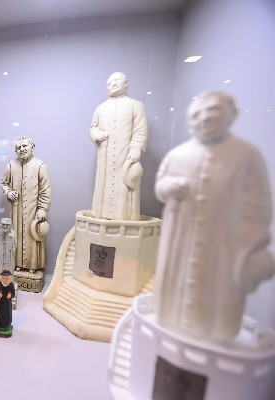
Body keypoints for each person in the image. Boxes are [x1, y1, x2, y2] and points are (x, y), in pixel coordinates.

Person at [154, 91, 274, 343]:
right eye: (197, 113)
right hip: (180, 241)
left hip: (223, 244)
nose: (204, 118)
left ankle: (217, 334)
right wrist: (167, 187)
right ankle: (171, 321)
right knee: (174, 295)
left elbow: (259, 207)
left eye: (212, 110)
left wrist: (250, 245)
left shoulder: (247, 155)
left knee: (218, 296)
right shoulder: (178, 155)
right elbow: (160, 185)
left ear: (231, 115)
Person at [89, 72, 148, 221]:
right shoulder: (101, 108)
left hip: (125, 154)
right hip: (106, 156)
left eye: (116, 80)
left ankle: (124, 217)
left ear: (126, 83)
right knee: (105, 184)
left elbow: (140, 129)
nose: (112, 84)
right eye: (109, 83)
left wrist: (136, 148)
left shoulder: (136, 105)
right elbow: (93, 128)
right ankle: (102, 214)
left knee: (124, 185)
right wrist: (97, 135)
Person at [1, 136, 51, 272]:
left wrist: (42, 208)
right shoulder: (11, 165)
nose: (21, 149)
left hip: (33, 210)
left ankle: (33, 267)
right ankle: (17, 265)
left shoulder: (40, 165)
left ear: (32, 147)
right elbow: (4, 184)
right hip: (16, 211)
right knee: (16, 236)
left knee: (32, 237)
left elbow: (45, 189)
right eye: (18, 148)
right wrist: (8, 192)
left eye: (24, 146)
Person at [0, 218, 17, 284]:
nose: (5, 226)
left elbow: (14, 246)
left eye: (7, 225)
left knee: (8, 268)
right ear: (0, 225)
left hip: (9, 257)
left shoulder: (13, 235)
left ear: (10, 226)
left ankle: (8, 281)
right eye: (3, 224)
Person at [0, 270, 15, 338]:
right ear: (1, 278)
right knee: (0, 313)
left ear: (9, 278)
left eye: (6, 278)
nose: (5, 280)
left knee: (6, 314)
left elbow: (13, 293)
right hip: (1, 302)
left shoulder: (11, 285)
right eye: (3, 278)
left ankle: (6, 325)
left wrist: (11, 295)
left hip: (7, 303)